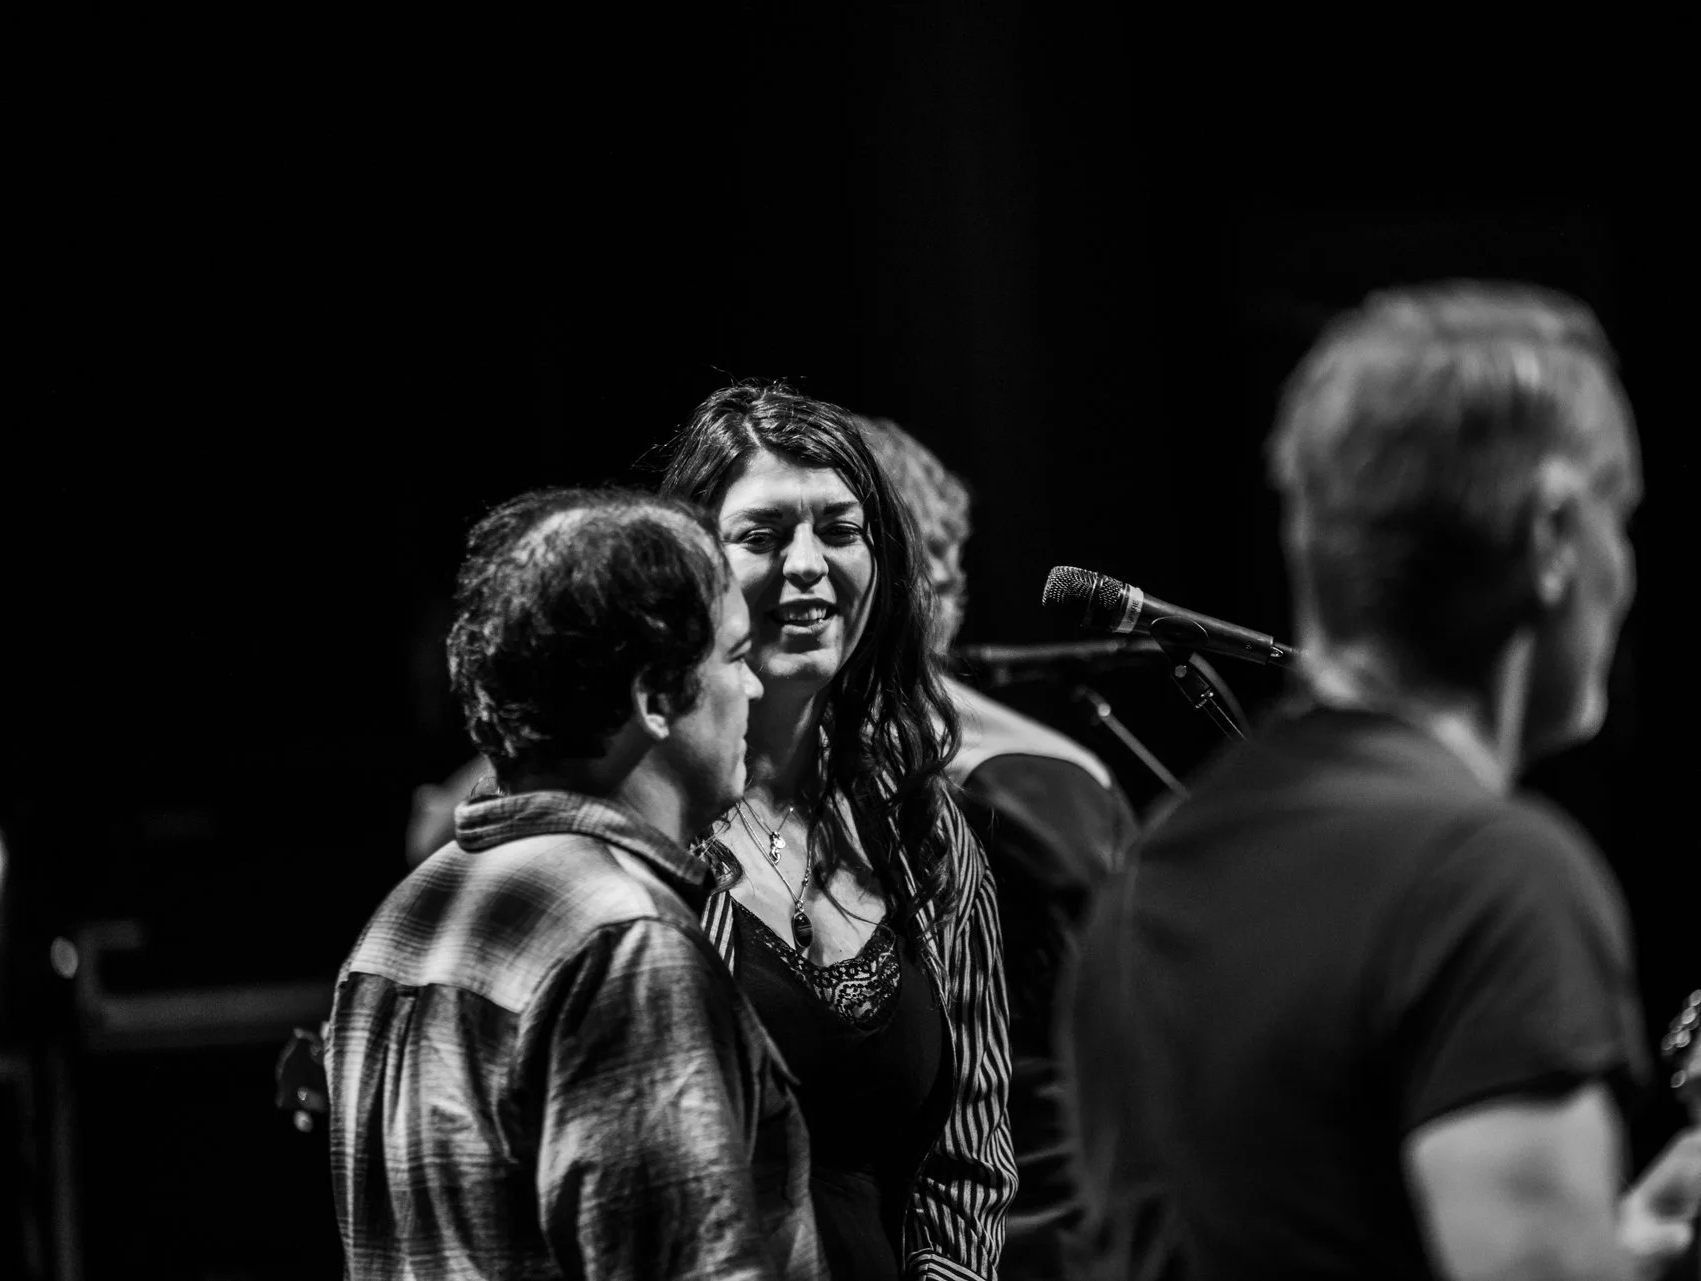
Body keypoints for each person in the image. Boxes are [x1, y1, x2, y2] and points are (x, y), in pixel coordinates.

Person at [1060, 283, 1701, 1280]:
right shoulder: (1492, 881)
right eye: (1623, 520)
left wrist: (1620, 1252)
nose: (1628, 571)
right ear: (1554, 536)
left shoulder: (1146, 881)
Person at [325, 486, 826, 1279]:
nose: (755, 688)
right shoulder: (625, 943)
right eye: (735, 658)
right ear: (655, 697)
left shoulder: (399, 918)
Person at [656, 382, 1017, 1281]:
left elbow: (972, 1152)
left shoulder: (923, 824)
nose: (808, 564)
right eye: (763, 535)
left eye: (839, 529)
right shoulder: (652, 822)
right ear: (691, 563)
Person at [853, 413, 1138, 1281]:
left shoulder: (1028, 776)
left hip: (1019, 1211)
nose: (948, 577)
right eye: (932, 551)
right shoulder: (1033, 777)